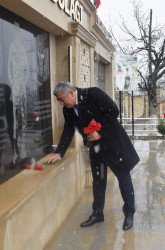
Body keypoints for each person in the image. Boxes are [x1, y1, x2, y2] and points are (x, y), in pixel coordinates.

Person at [45, 82, 140, 230]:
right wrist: (59, 152)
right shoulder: (68, 110)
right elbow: (68, 130)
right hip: (96, 148)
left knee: (123, 178)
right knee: (98, 181)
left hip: (113, 143)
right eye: (59, 101)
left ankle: (129, 214)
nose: (61, 103)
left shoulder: (93, 94)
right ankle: (97, 213)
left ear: (71, 92)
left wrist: (100, 131)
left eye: (62, 99)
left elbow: (113, 110)